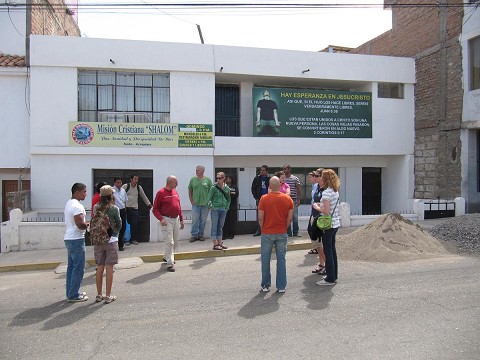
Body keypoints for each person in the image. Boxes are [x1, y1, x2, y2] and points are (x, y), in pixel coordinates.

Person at [258, 176, 294, 293]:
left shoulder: (264, 198)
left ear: (269, 186)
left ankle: (266, 285)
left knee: (265, 259)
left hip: (267, 232)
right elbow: (290, 218)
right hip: (281, 231)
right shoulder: (288, 199)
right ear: (280, 185)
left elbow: (260, 217)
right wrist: (285, 227)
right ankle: (281, 286)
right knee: (281, 259)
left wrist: (263, 228)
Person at [92, 185, 122, 304]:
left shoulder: (96, 207)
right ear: (111, 196)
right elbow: (119, 224)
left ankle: (99, 294)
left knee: (100, 266)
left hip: (99, 240)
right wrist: (114, 233)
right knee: (109, 267)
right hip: (111, 240)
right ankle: (108, 295)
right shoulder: (114, 209)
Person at [313, 169, 341, 286]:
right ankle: (333, 274)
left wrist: (316, 206)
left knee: (327, 251)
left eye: (322, 177)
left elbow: (326, 211)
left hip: (328, 225)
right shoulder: (335, 191)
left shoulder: (326, 193)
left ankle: (330, 278)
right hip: (335, 223)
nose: (320, 179)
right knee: (332, 250)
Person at [152, 175, 184, 272]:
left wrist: (181, 220)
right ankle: (170, 264)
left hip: (176, 219)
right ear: (169, 182)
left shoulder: (175, 192)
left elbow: (178, 206)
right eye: (175, 182)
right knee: (169, 242)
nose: (177, 183)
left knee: (175, 241)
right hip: (167, 220)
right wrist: (161, 219)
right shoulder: (161, 193)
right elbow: (155, 209)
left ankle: (167, 256)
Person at [64, 183, 89, 302]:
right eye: (84, 191)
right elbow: (80, 225)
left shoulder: (69, 203)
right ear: (77, 192)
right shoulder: (77, 206)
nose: (85, 194)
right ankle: (74, 294)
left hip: (69, 239)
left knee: (71, 267)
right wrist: (89, 224)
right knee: (78, 268)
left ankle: (70, 292)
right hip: (76, 239)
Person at [122, 174, 152, 245]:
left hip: (135, 208)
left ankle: (133, 239)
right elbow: (120, 196)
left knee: (134, 224)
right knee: (125, 225)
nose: (136, 180)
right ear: (131, 179)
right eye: (135, 179)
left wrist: (149, 205)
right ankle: (126, 240)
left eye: (137, 179)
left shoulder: (138, 187)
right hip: (126, 208)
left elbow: (143, 196)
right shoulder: (126, 186)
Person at [188, 165, 212, 242]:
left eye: (198, 170)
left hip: (205, 205)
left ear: (202, 171)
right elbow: (190, 190)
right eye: (196, 170)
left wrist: (210, 203)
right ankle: (194, 235)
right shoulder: (193, 179)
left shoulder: (208, 180)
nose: (196, 171)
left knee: (203, 220)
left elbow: (211, 192)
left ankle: (201, 235)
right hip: (196, 204)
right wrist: (191, 200)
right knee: (195, 220)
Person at [309, 169, 326, 276]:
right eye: (314, 175)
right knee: (318, 242)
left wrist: (317, 207)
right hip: (315, 216)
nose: (315, 177)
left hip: (322, 218)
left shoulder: (327, 190)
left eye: (317, 175)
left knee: (324, 244)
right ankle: (321, 264)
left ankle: (327, 266)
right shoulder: (317, 188)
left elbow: (325, 207)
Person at [208, 172, 231, 250]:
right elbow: (209, 199)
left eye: (220, 178)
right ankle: (215, 244)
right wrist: (212, 206)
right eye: (217, 178)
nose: (218, 179)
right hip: (215, 209)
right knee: (214, 226)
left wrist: (227, 207)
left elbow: (228, 199)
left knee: (220, 227)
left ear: (223, 178)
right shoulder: (213, 187)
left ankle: (220, 242)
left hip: (223, 209)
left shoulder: (227, 188)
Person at [251, 165, 271, 236]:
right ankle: (259, 230)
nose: (262, 171)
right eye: (261, 170)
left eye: (263, 170)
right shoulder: (257, 178)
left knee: (268, 215)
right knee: (259, 215)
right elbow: (253, 188)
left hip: (268, 199)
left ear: (266, 171)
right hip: (259, 199)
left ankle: (267, 229)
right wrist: (256, 197)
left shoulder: (269, 178)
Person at [283, 164, 301, 237]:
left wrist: (298, 199)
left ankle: (296, 232)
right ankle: (288, 232)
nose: (284, 171)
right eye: (283, 169)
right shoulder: (283, 179)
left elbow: (298, 189)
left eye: (286, 169)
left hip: (293, 200)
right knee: (287, 217)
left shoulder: (295, 178)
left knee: (295, 217)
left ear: (289, 169)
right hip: (285, 201)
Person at [113, 177, 128, 251]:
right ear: (114, 183)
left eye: (120, 182)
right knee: (116, 227)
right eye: (117, 182)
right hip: (115, 210)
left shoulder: (123, 191)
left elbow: (125, 201)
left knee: (123, 227)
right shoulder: (112, 191)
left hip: (122, 210)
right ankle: (115, 243)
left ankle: (120, 243)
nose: (119, 184)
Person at [223, 175, 238, 240]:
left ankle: (231, 234)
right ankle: (225, 234)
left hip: (232, 206)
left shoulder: (234, 186)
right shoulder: (224, 186)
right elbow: (223, 195)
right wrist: (230, 193)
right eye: (227, 179)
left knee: (231, 221)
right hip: (225, 206)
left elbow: (236, 194)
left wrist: (229, 193)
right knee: (225, 221)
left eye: (229, 179)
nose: (228, 180)